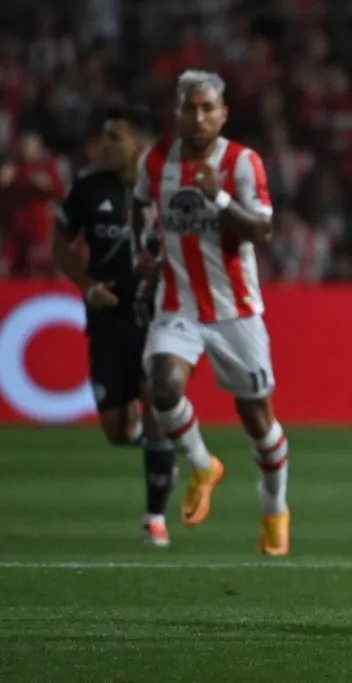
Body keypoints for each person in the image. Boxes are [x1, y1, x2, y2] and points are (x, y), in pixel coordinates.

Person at [133, 70, 291, 556]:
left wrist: (216, 197)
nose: (197, 116)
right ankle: (203, 465)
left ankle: (274, 508)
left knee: (258, 421)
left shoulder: (242, 162)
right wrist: (146, 248)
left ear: (223, 114)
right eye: (188, 107)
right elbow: (142, 208)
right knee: (162, 386)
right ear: (177, 112)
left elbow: (263, 233)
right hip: (177, 304)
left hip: (235, 312)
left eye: (207, 108)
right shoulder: (155, 161)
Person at [51, 104, 176, 547]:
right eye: (103, 137)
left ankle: (155, 519)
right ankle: (154, 448)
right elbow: (59, 242)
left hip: (157, 313)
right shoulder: (87, 188)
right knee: (116, 430)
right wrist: (87, 287)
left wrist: (162, 269)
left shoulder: (165, 184)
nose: (104, 146)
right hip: (107, 314)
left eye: (113, 138)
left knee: (157, 399)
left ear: (138, 144)